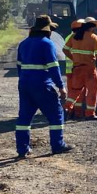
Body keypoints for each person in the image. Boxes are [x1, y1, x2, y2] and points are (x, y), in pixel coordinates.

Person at [16, 15, 72, 158]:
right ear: (47, 31)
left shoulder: (23, 44)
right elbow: (54, 68)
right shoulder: (47, 44)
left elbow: (19, 67)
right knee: (56, 114)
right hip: (42, 85)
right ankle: (58, 145)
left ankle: (22, 149)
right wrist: (61, 87)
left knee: (24, 118)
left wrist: (25, 80)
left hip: (24, 85)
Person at [63, 18, 97, 120]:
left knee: (75, 91)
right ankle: (90, 114)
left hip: (77, 69)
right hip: (89, 70)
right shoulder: (93, 37)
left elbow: (65, 49)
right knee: (92, 91)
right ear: (91, 27)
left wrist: (74, 58)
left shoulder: (74, 36)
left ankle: (66, 108)